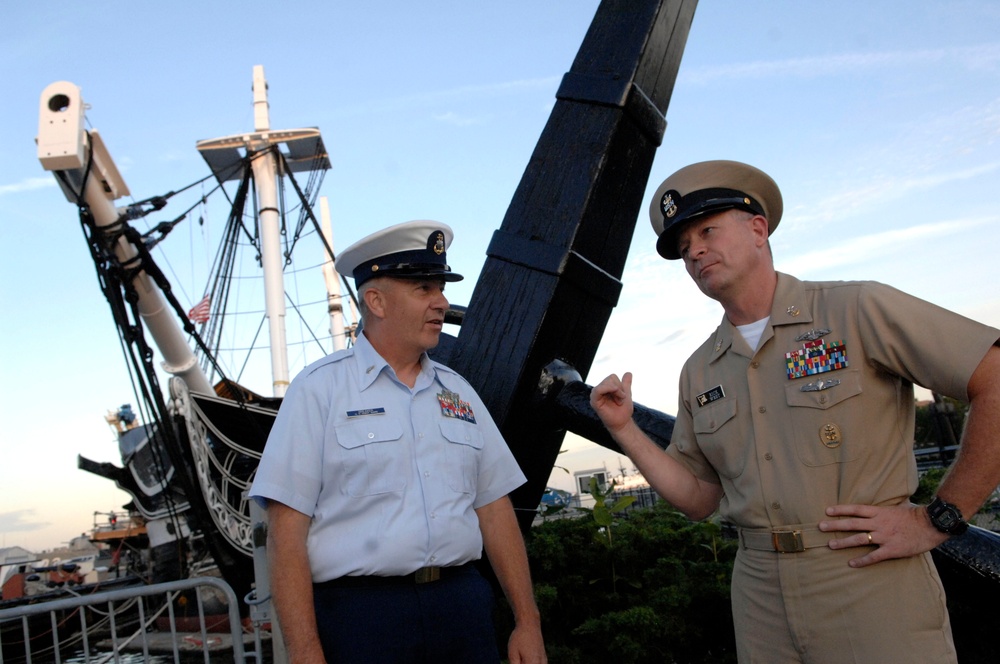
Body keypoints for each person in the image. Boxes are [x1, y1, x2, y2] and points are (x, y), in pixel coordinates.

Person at [589, 160, 1000, 663]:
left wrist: (939, 517)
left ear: (758, 229)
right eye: (682, 247)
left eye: (706, 230)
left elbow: (993, 377)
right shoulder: (700, 370)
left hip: (866, 577)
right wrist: (624, 429)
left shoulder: (855, 310)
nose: (694, 251)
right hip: (759, 593)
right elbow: (697, 498)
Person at [250, 220, 546, 663]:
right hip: (361, 620)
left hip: (462, 608)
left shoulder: (459, 392)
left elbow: (494, 509)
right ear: (376, 301)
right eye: (424, 288)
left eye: (440, 289)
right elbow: (286, 532)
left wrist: (528, 622)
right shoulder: (318, 391)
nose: (442, 303)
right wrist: (305, 651)